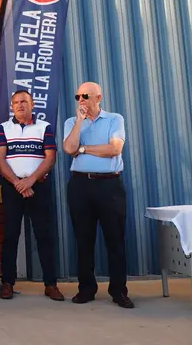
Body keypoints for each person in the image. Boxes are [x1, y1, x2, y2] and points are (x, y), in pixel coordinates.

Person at [63, 82, 133, 309]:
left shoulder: (115, 119)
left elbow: (114, 149)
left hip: (109, 185)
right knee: (83, 240)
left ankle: (119, 291)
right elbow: (68, 148)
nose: (81, 100)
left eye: (85, 96)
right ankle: (86, 289)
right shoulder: (72, 123)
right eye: (78, 97)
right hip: (80, 186)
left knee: (115, 239)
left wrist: (83, 149)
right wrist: (80, 123)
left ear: (98, 97)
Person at [0, 90, 63, 301]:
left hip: (38, 187)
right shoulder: (3, 128)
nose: (20, 105)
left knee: (44, 236)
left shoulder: (44, 127)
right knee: (10, 236)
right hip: (13, 188)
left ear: (32, 104)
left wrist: (30, 181)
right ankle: (7, 283)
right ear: (11, 107)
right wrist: (18, 183)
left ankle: (50, 284)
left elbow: (50, 158)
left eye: (24, 101)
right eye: (15, 102)